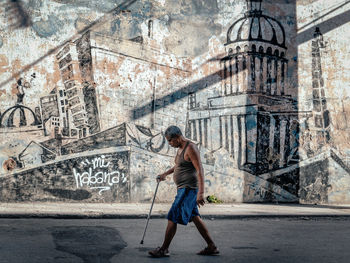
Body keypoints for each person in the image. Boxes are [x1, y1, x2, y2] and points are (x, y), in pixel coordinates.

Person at [149, 125, 219, 258]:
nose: (169, 144)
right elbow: (178, 165)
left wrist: (201, 193)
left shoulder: (190, 148)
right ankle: (211, 246)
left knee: (172, 216)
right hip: (183, 189)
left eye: (170, 140)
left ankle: (164, 249)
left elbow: (200, 169)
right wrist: (165, 173)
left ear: (177, 137)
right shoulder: (180, 148)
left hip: (188, 190)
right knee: (195, 217)